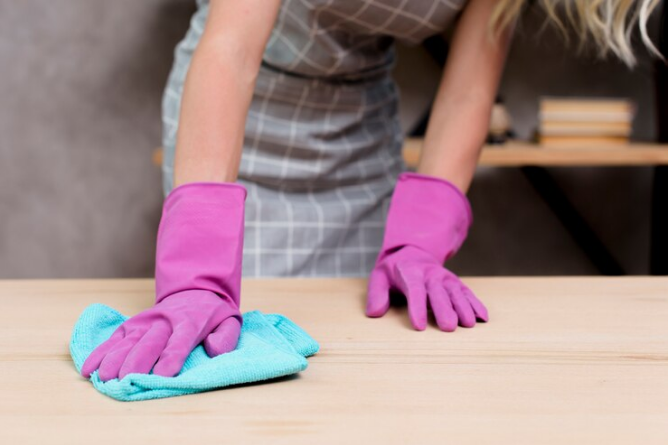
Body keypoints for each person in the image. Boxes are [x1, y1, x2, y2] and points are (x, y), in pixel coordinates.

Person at [81, 0, 661, 382]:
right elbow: (230, 54)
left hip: (360, 134)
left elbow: (466, 91)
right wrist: (197, 271)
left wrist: (422, 238)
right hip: (235, 123)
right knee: (223, 361)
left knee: (351, 362)